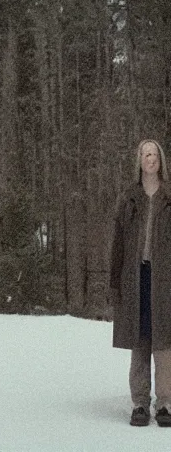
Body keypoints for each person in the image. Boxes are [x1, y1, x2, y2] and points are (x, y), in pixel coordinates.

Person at [111, 139, 171, 427]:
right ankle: (139, 404)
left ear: (161, 160)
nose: (151, 159)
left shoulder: (169, 196)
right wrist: (115, 282)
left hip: (165, 278)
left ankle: (165, 404)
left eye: (155, 154)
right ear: (140, 160)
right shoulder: (129, 198)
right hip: (136, 278)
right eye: (146, 154)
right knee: (139, 340)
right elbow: (118, 244)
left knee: (164, 341)